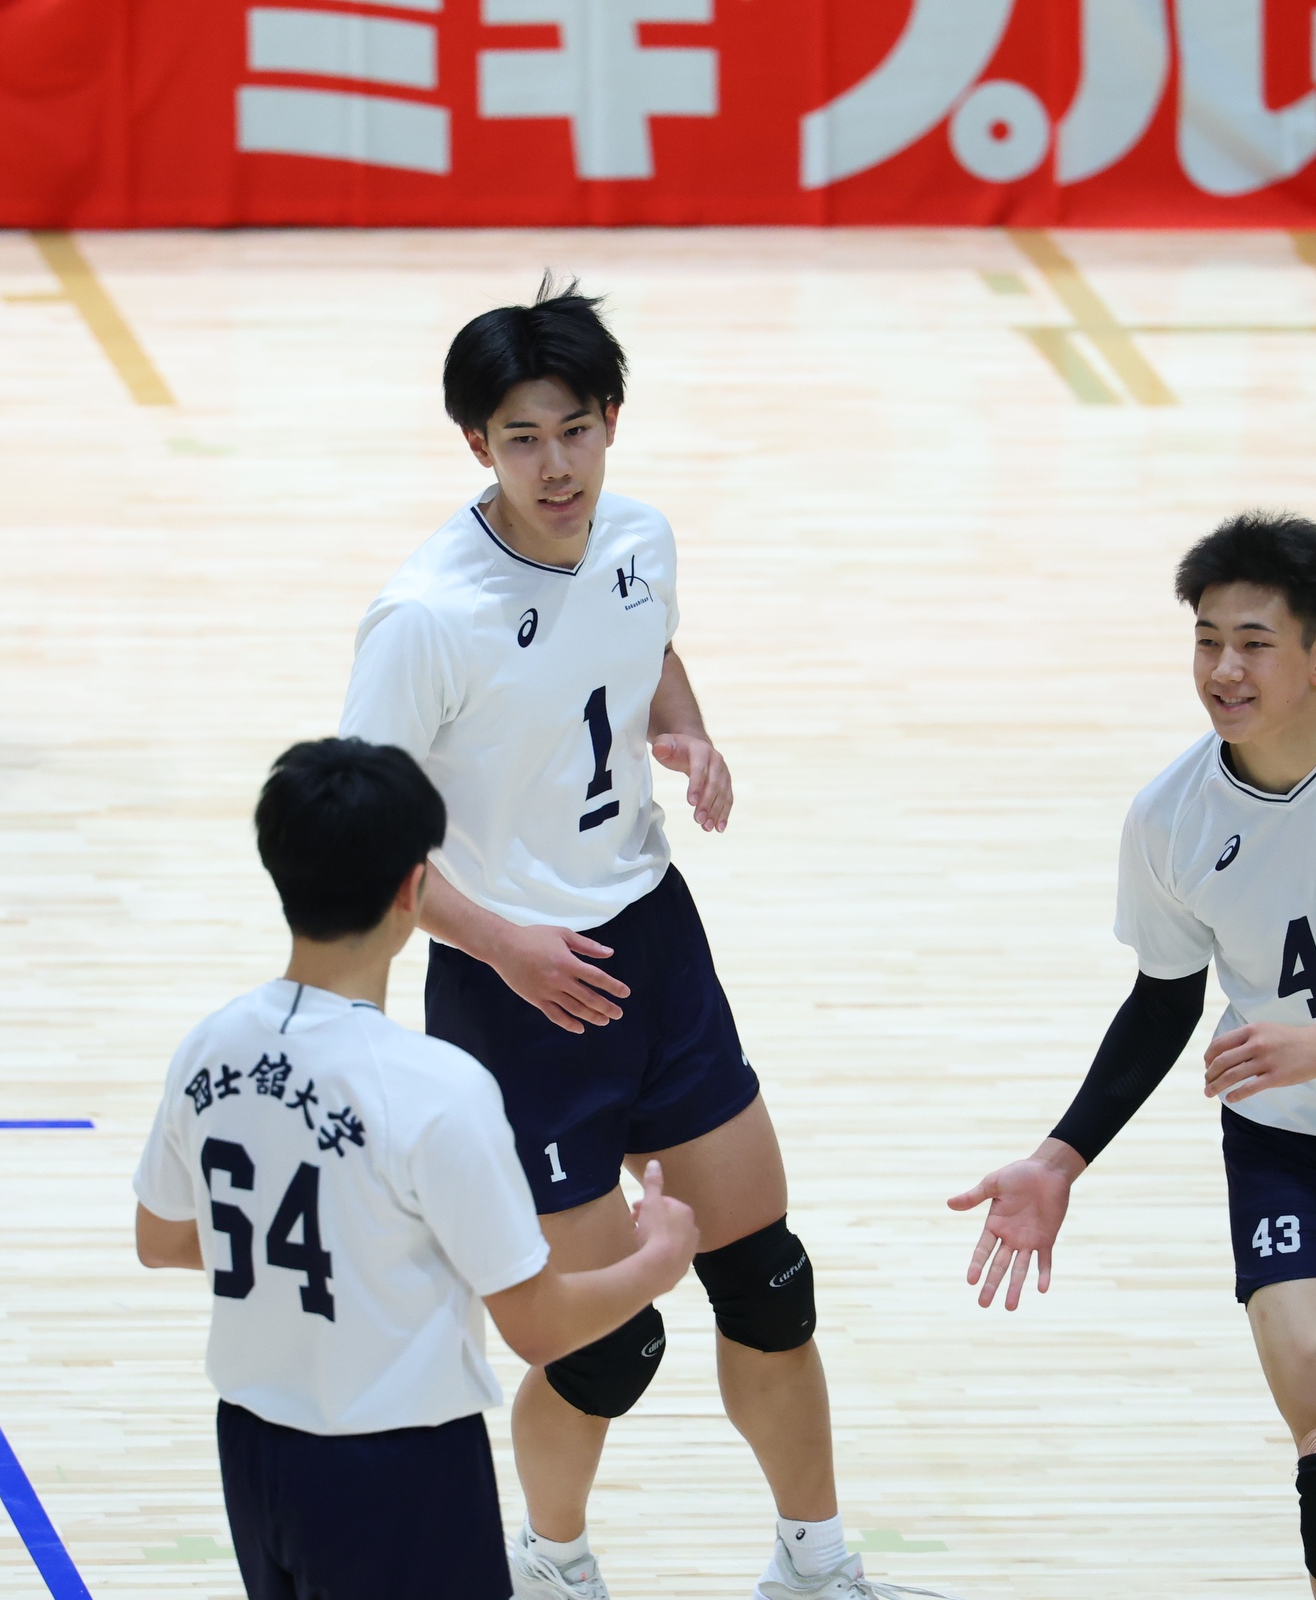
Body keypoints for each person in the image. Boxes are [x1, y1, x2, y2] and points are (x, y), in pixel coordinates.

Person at [338, 283, 938, 1600]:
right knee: (603, 1342)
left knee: (769, 1281)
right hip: (517, 995)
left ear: (612, 419)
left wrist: (687, 730)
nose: (555, 465)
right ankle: (551, 1566)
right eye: (521, 439)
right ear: (477, 447)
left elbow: (645, 644)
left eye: (574, 430)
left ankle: (815, 1569)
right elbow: (363, 848)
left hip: (654, 945)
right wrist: (506, 947)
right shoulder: (427, 614)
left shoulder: (638, 537)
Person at [951, 513, 1316, 1600]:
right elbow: (1162, 1000)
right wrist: (1059, 1156)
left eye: (1255, 643)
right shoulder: (1170, 817)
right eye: (1207, 640)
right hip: (1291, 1150)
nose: (1224, 669)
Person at [132, 738, 699, 1599]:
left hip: (252, 1450)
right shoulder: (436, 1091)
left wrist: (345, 1244)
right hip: (395, 1465)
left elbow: (163, 1238)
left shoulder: (209, 1049)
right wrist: (656, 1261)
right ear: (412, 889)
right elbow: (538, 1328)